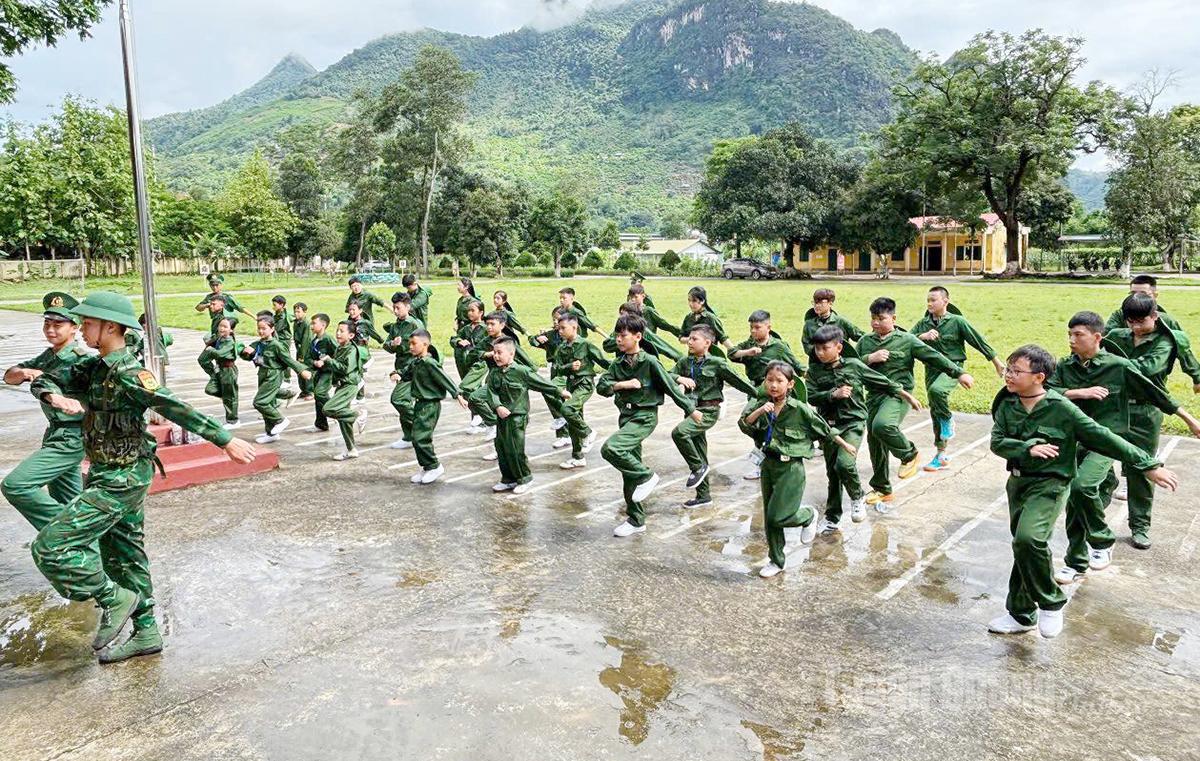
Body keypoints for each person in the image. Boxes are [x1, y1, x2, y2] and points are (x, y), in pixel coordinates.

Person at [29, 290, 257, 663]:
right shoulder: (94, 367)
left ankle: (113, 597)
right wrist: (53, 395)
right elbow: (45, 377)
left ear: (110, 327)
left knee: (51, 547)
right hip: (105, 472)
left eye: (87, 323)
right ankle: (147, 630)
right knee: (123, 554)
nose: (82, 329)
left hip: (124, 477)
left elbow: (173, 405)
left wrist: (225, 440)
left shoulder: (129, 374)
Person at [987, 344, 1177, 639]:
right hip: (1018, 483)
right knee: (1024, 548)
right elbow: (997, 441)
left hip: (1050, 485)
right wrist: (1028, 448)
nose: (1007, 375)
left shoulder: (1061, 408)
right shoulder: (1006, 403)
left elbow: (1103, 436)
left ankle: (1051, 602)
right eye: (1008, 369)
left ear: (1039, 377)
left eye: (1015, 371)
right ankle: (1021, 614)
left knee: (1029, 539)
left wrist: (1148, 464)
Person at [1047, 310, 1200, 582]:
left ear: (1097, 337)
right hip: (1074, 440)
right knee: (1076, 501)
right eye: (1069, 334)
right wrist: (1079, 392)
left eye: (1078, 335)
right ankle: (1075, 561)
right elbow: (1047, 391)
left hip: (1105, 442)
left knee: (1082, 486)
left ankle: (1103, 540)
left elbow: (1156, 393)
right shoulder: (1065, 366)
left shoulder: (1117, 366)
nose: (1071, 340)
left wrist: (1189, 420)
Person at [738, 361, 856, 578]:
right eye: (769, 380)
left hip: (791, 468)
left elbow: (824, 429)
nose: (773, 385)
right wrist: (759, 411)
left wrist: (845, 444)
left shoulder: (799, 409)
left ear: (790, 384)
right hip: (768, 465)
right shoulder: (760, 403)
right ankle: (776, 560)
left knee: (778, 516)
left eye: (779, 381)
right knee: (769, 518)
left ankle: (807, 515)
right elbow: (745, 424)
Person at [857, 297, 972, 511]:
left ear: (893, 318)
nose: (875, 323)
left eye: (881, 319)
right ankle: (883, 488)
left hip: (899, 395)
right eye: (873, 319)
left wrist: (959, 373)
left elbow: (934, 357)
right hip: (873, 396)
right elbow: (854, 366)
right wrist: (869, 358)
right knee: (875, 441)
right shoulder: (865, 342)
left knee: (883, 425)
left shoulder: (907, 340)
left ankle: (909, 453)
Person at [1104, 293, 1200, 549]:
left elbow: (1145, 370)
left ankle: (1140, 526)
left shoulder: (1165, 342)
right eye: (1130, 322)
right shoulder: (1116, 337)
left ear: (1154, 316)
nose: (1135, 327)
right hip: (1112, 408)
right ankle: (1104, 495)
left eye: (1141, 322)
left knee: (1142, 470)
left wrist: (1112, 364)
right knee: (1096, 458)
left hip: (1145, 413)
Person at [807, 325, 921, 532]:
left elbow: (883, 381)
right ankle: (832, 517)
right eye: (817, 348)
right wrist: (832, 394)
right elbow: (810, 396)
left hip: (852, 424)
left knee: (844, 464)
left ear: (839, 347)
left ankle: (857, 495)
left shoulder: (854, 365)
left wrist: (907, 396)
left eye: (825, 348)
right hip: (828, 427)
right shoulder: (814, 371)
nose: (820, 352)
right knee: (832, 473)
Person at [598, 314, 700, 537]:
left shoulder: (649, 362)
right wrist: (623, 384)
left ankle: (647, 475)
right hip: (626, 416)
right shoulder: (619, 363)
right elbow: (602, 386)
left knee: (610, 449)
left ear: (637, 337)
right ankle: (636, 520)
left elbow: (670, 387)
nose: (618, 339)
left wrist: (691, 410)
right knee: (628, 471)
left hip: (644, 417)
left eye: (623, 335)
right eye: (617, 335)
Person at [1, 293, 88, 531]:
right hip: (55, 434)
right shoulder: (49, 356)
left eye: (58, 324)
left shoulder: (80, 360)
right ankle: (82, 551)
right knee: (67, 499)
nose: (50, 329)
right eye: (47, 323)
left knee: (16, 485)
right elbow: (10, 376)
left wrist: (50, 389)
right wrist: (24, 373)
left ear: (74, 328)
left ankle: (73, 531)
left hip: (72, 436)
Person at [911, 286, 1005, 471]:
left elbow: (978, 341)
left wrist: (997, 362)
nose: (929, 303)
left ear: (945, 301)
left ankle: (948, 419)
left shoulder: (957, 321)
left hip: (953, 369)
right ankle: (941, 454)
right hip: (932, 369)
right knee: (935, 408)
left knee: (937, 392)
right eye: (928, 300)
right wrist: (922, 336)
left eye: (934, 300)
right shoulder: (923, 324)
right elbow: (906, 338)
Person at [670, 325, 758, 508]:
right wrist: (680, 379)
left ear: (707, 343)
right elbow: (667, 374)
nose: (690, 342)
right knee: (699, 450)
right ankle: (704, 496)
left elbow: (740, 382)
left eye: (695, 339)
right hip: (691, 410)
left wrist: (761, 395)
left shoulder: (717, 363)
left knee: (679, 433)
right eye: (689, 339)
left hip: (708, 411)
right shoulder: (685, 362)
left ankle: (697, 468)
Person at [481, 337, 571, 494]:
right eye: (494, 352)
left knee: (515, 449)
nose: (495, 356)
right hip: (501, 416)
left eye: (499, 353)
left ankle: (524, 477)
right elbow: (491, 391)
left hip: (517, 417)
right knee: (501, 447)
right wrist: (498, 406)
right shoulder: (495, 373)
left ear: (511, 354)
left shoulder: (521, 372)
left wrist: (559, 391)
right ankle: (508, 479)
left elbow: (541, 383)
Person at [407, 329, 469, 484]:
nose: (411, 347)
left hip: (430, 405)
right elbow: (407, 373)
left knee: (421, 437)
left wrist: (457, 394)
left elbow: (444, 379)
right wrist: (397, 374)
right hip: (420, 403)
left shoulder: (429, 363)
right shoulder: (417, 361)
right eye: (410, 344)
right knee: (416, 437)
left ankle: (434, 466)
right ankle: (427, 466)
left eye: (414, 343)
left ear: (425, 344)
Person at [240, 315, 312, 444]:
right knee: (269, 403)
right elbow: (249, 357)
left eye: (264, 328)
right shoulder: (258, 343)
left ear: (272, 329)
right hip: (262, 374)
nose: (261, 331)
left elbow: (288, 360)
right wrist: (245, 352)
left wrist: (302, 371)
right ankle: (271, 433)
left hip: (273, 376)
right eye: (259, 329)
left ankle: (280, 420)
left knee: (260, 402)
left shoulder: (277, 345)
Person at [552, 312, 609, 469]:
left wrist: (621, 370)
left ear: (574, 327)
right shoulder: (562, 348)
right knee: (573, 420)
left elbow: (603, 361)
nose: (560, 331)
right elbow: (558, 369)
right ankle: (578, 456)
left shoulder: (585, 345)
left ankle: (588, 433)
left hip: (584, 384)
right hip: (571, 385)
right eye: (559, 328)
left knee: (567, 409)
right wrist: (569, 367)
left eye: (563, 328)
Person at [314, 320, 369, 460]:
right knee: (344, 420)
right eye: (337, 330)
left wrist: (328, 360)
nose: (338, 333)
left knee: (328, 409)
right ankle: (351, 449)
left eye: (342, 331)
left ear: (351, 335)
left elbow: (344, 369)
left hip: (349, 385)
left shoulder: (352, 350)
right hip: (341, 385)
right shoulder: (340, 347)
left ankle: (357, 415)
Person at [383, 292, 425, 450]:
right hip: (400, 366)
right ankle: (409, 436)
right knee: (404, 402)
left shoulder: (414, 324)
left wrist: (401, 345)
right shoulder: (396, 326)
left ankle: (421, 425)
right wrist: (393, 344)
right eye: (393, 307)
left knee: (398, 399)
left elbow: (423, 345)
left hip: (413, 367)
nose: (395, 311)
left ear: (407, 307)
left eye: (398, 307)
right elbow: (386, 346)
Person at [197, 316, 243, 430]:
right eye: (220, 326)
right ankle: (227, 397)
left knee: (230, 396)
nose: (221, 328)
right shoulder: (219, 339)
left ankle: (233, 420)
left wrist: (211, 350)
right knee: (210, 389)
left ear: (231, 330)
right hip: (219, 370)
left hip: (228, 370)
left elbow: (220, 354)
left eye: (225, 327)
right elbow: (204, 358)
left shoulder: (230, 342)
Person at [603, 301, 684, 362]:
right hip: (623, 367)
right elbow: (607, 346)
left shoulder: (644, 332)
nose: (620, 317)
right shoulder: (619, 332)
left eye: (623, 314)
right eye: (620, 314)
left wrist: (682, 360)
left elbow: (665, 348)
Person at [801, 288, 863, 357]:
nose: (817, 306)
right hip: (818, 362)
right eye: (815, 302)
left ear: (830, 303)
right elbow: (806, 344)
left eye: (821, 303)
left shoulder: (841, 322)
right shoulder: (809, 324)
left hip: (841, 362)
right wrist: (820, 351)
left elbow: (861, 337)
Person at [678, 286, 734, 356]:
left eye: (694, 301)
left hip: (710, 359)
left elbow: (722, 337)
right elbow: (681, 338)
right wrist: (692, 339)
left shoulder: (711, 318)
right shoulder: (688, 318)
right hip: (693, 359)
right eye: (689, 300)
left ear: (702, 301)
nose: (690, 304)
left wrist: (734, 351)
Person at [305, 313, 338, 433]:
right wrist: (315, 362)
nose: (311, 326)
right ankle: (321, 423)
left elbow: (339, 353)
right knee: (318, 398)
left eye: (314, 323)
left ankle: (337, 411)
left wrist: (327, 361)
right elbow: (307, 358)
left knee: (320, 393)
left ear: (323, 325)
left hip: (328, 373)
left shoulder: (328, 339)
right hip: (318, 373)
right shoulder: (313, 341)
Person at [270, 295, 294, 392]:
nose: (273, 306)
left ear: (281, 305)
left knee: (285, 358)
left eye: (275, 305)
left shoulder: (282, 317)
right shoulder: (278, 314)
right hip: (279, 338)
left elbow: (277, 329)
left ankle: (287, 380)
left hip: (283, 339)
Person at [293, 302, 313, 400]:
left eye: (299, 312)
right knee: (299, 371)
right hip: (299, 349)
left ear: (304, 312)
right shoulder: (296, 323)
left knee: (306, 370)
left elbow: (306, 340)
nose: (296, 314)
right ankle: (304, 390)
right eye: (295, 311)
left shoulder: (307, 324)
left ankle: (309, 391)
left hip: (306, 351)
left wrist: (302, 355)